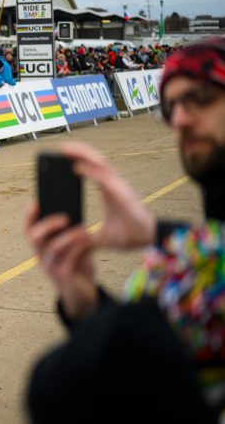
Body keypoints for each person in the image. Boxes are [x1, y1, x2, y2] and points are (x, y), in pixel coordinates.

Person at [24, 38, 225, 423]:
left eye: (200, 98)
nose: (181, 119)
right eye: (171, 107)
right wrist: (86, 304)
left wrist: (158, 233)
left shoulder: (184, 263)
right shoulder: (190, 252)